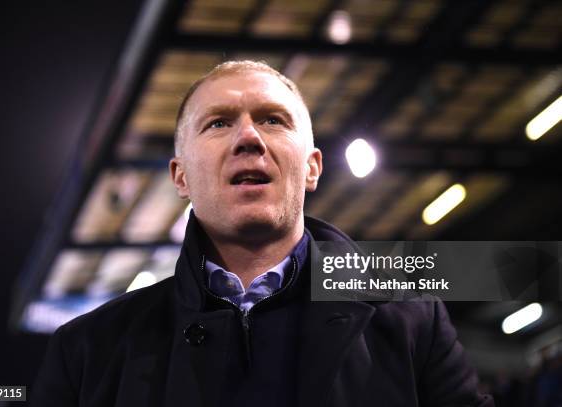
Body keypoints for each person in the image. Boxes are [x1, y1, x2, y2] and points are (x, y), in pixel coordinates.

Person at [31, 60, 493, 406]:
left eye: (273, 119)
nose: (248, 138)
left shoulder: (413, 317)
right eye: (218, 123)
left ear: (312, 167)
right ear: (180, 177)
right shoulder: (85, 349)